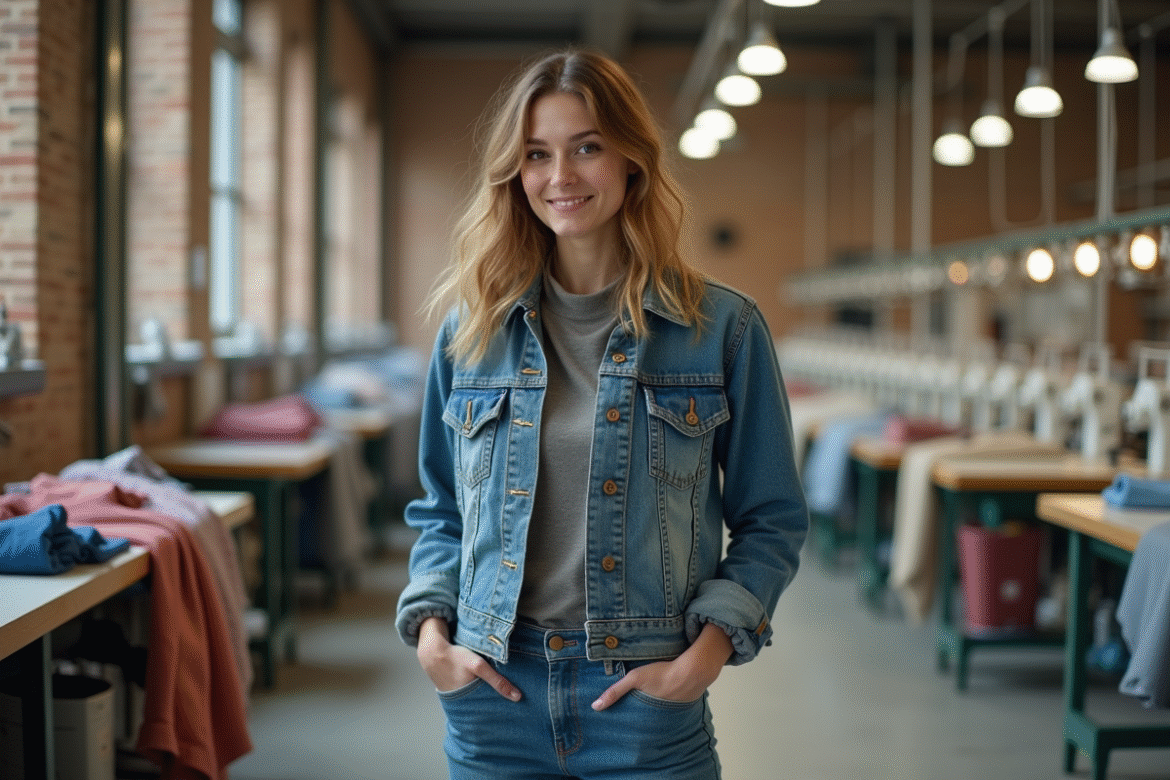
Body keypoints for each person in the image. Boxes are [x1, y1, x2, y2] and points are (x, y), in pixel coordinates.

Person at [395, 48, 808, 780]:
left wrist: (702, 659)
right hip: (494, 694)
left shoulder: (722, 328)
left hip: (645, 703)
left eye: (586, 147)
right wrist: (432, 634)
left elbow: (772, 517)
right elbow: (441, 510)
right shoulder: (472, 332)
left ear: (630, 161)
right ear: (515, 175)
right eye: (537, 155)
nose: (561, 177)